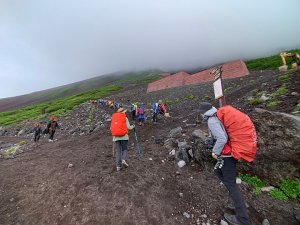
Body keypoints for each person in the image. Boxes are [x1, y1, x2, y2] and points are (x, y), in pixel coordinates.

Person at [198, 102, 250, 225]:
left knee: (231, 185)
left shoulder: (212, 120)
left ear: (204, 112)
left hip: (227, 156)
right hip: (229, 153)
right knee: (218, 171)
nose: (200, 115)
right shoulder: (217, 115)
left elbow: (222, 138)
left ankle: (242, 219)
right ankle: (237, 200)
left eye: (201, 112)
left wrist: (215, 152)